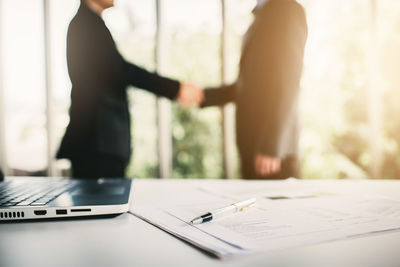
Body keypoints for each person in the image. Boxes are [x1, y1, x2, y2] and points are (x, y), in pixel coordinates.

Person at [56, 0, 202, 179]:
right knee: (103, 205)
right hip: (98, 143)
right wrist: (176, 88)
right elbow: (121, 71)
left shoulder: (89, 23)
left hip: (100, 141)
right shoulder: (86, 25)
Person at [201, 0, 307, 179]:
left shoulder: (287, 8)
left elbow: (289, 79)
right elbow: (249, 86)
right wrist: (204, 96)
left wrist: (271, 146)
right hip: (253, 145)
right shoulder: (262, 13)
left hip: (272, 154)